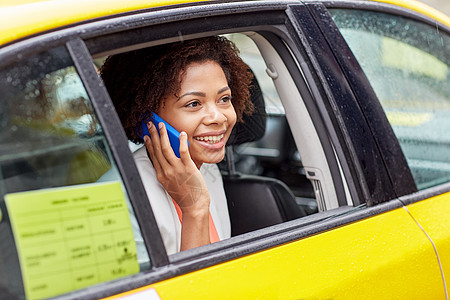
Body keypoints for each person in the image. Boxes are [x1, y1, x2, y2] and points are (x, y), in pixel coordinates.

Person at [100, 36, 254, 254]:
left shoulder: (206, 168)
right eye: (193, 103)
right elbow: (198, 287)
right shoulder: (120, 198)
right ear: (147, 119)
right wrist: (194, 209)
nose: (218, 117)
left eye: (224, 99)